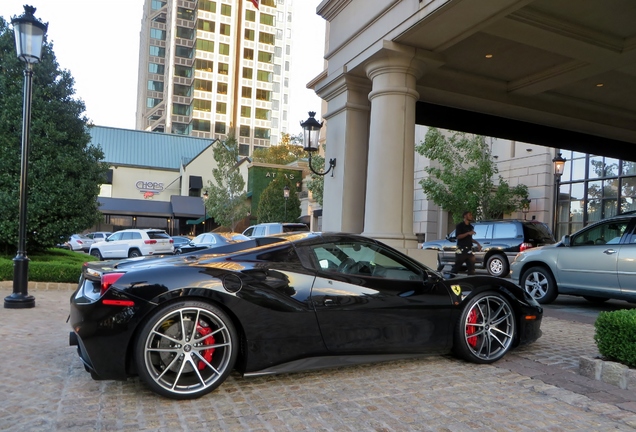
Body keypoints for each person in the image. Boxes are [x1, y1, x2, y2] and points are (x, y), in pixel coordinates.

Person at [450, 211, 481, 276]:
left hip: (469, 250)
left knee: (472, 268)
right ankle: (449, 278)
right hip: (461, 250)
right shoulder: (460, 226)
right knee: (457, 267)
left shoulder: (471, 227)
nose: (471, 216)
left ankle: (471, 282)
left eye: (471, 215)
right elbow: (458, 236)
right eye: (469, 215)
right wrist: (468, 233)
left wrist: (477, 243)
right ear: (465, 216)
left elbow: (469, 238)